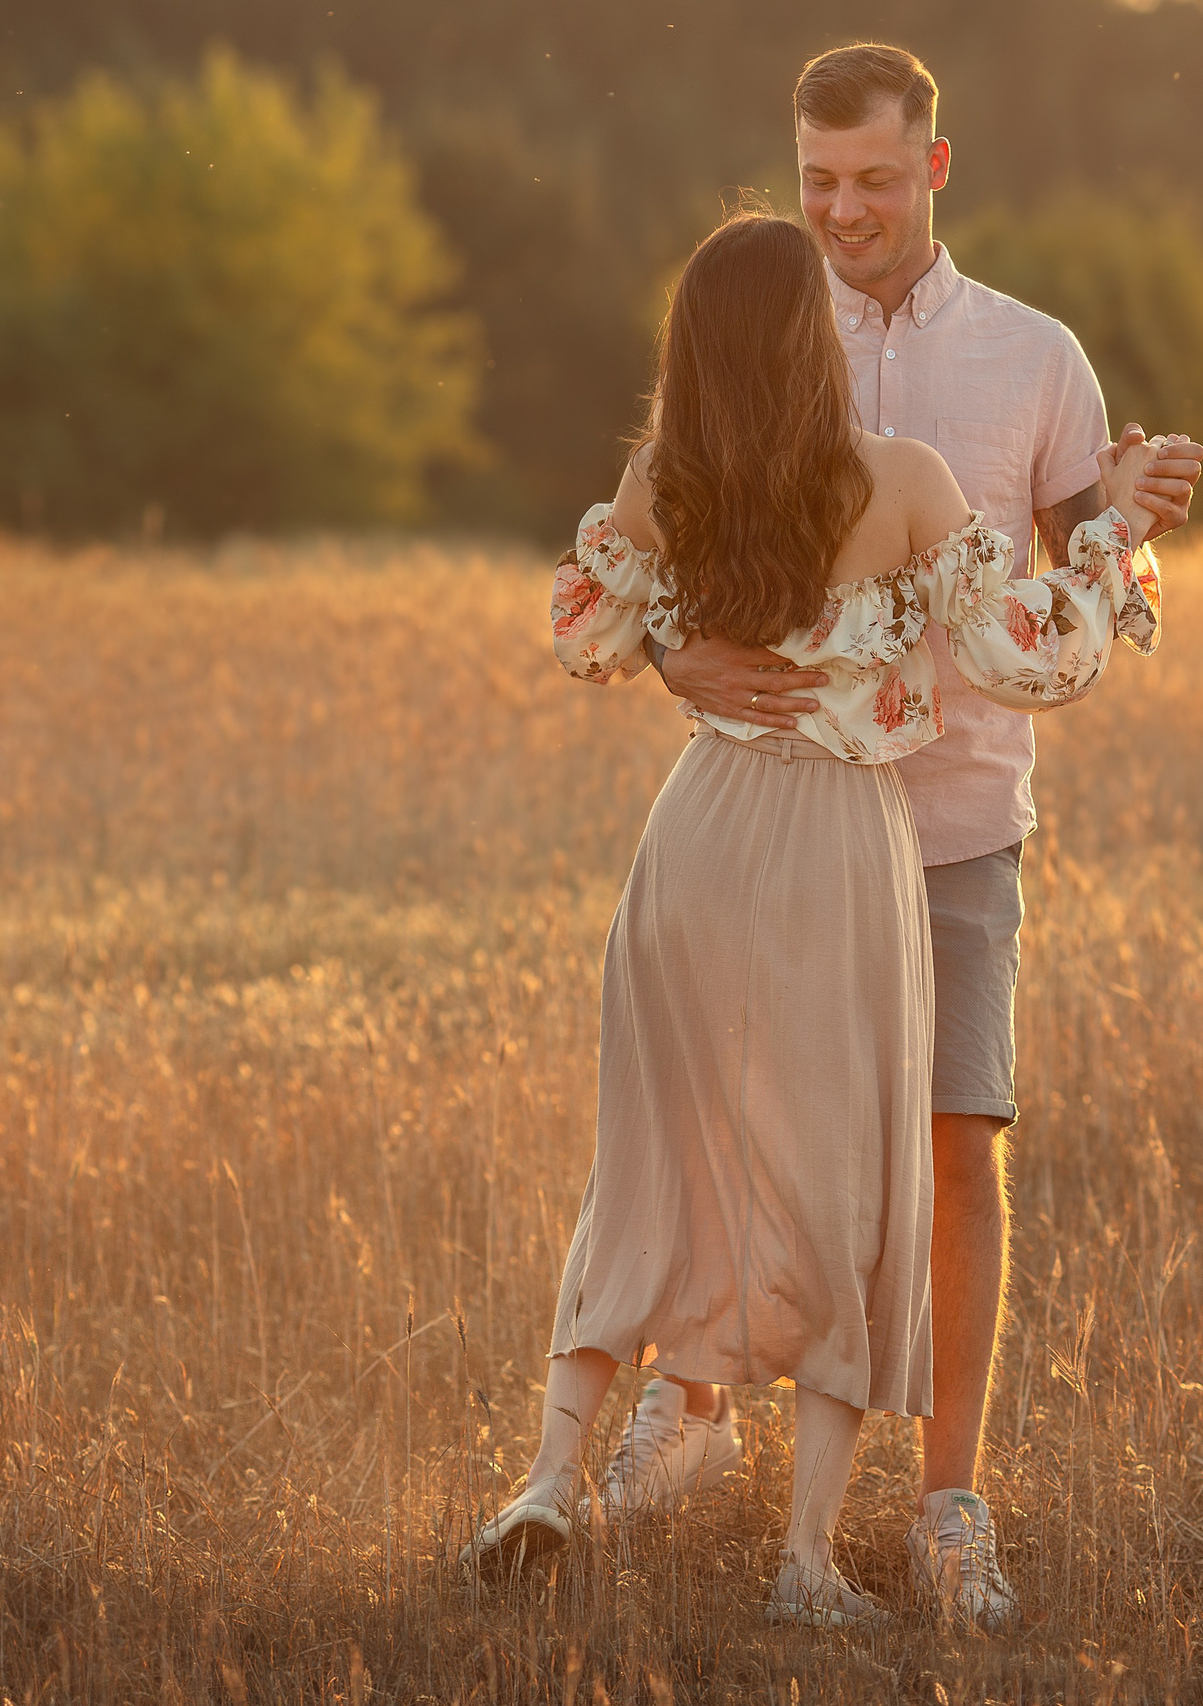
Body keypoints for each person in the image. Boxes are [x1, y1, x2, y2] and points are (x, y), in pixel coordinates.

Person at [461, 209, 1166, 1630]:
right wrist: (1118, 536)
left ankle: (545, 1482)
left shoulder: (665, 480)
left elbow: (583, 634)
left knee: (646, 1168)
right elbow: (1020, 656)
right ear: (807, 339)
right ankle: (804, 1563)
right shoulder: (898, 481)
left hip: (698, 835)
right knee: (848, 1190)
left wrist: (677, 647)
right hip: (842, 842)